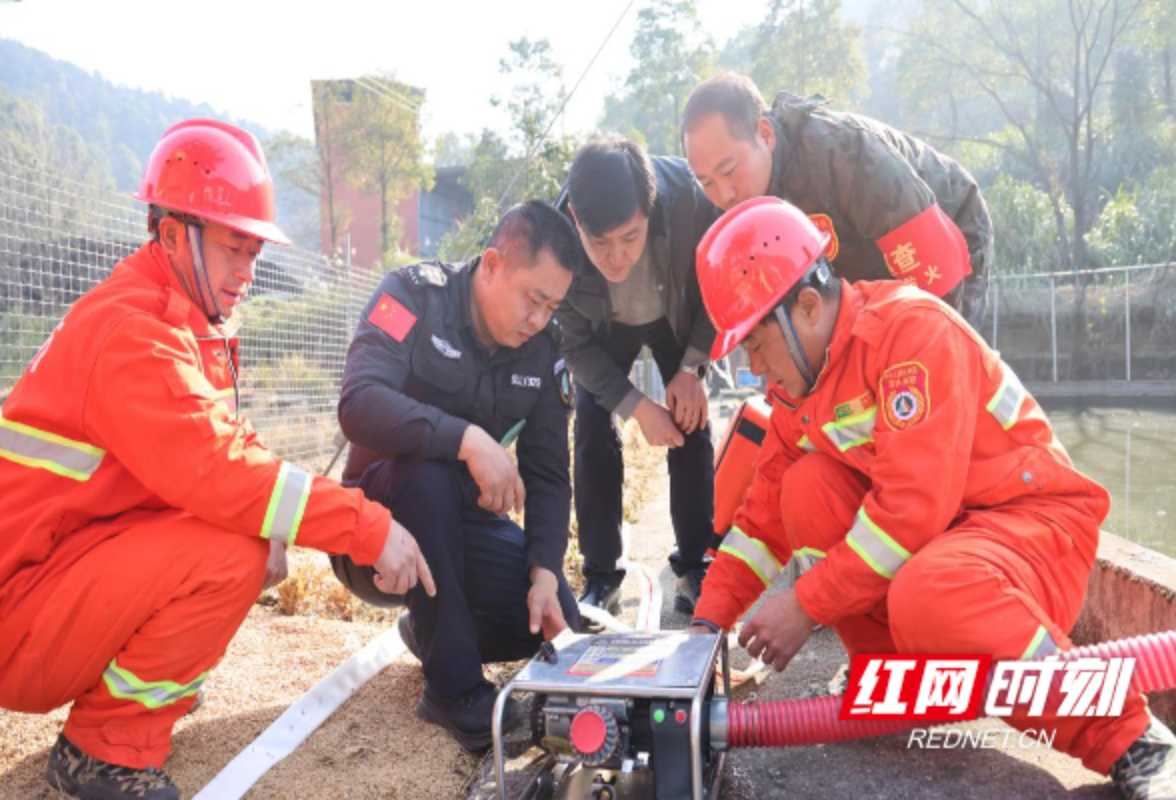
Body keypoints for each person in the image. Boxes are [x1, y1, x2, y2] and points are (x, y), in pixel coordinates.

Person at [687, 196, 1176, 800]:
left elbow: (908, 514)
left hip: (1032, 526)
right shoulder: (803, 387)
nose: (757, 372)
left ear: (807, 308)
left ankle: (1131, 736)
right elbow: (761, 518)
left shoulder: (910, 334)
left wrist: (805, 605)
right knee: (803, 488)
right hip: (952, 538)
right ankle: (894, 689)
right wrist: (705, 627)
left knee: (929, 591)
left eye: (756, 348)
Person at [0, 119, 432, 800]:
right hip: (18, 616)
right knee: (232, 552)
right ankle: (102, 750)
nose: (247, 274)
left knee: (251, 535)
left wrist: (286, 524)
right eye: (235, 249)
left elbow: (222, 448)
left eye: (255, 253)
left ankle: (135, 691)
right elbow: (222, 471)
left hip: (48, 579)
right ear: (171, 233)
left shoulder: (172, 317)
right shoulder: (135, 336)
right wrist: (368, 527)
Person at [329, 200, 583, 751]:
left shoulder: (543, 350)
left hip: (457, 532)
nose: (539, 319)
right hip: (371, 533)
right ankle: (453, 687)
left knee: (552, 613)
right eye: (532, 300)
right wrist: (466, 439)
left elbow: (547, 471)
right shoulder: (413, 296)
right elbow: (358, 401)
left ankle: (433, 632)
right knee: (431, 477)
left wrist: (543, 568)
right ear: (492, 264)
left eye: (552, 306)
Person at [554, 136, 719, 619]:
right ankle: (602, 574)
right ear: (576, 222)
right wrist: (637, 406)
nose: (617, 258)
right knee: (591, 423)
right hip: (603, 332)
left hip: (674, 318)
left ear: (651, 210)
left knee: (692, 421)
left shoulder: (690, 200)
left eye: (631, 237)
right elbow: (575, 346)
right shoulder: (556, 241)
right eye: (599, 243)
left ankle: (694, 563)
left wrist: (692, 367)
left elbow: (718, 287)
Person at [681, 72, 991, 329]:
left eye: (729, 170)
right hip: (864, 269)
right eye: (706, 182)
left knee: (935, 362)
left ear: (765, 134)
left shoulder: (843, 152)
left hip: (946, 230)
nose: (724, 195)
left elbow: (932, 263)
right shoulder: (739, 206)